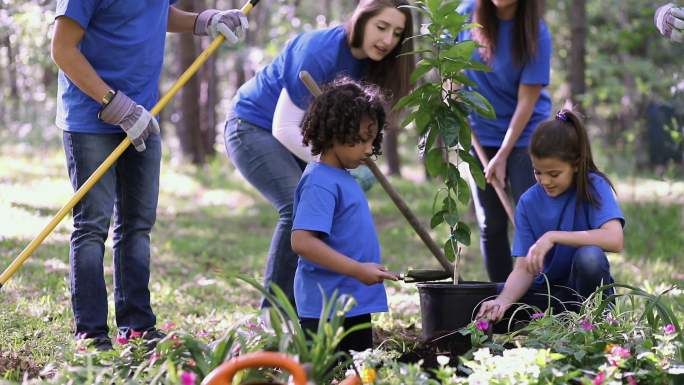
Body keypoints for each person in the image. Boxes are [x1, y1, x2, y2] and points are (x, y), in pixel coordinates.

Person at [51, 0, 247, 351]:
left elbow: (155, 13)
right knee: (92, 226)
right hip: (90, 119)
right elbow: (62, 49)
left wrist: (204, 21)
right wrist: (114, 103)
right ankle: (91, 336)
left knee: (137, 225)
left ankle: (137, 328)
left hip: (144, 113)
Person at [224, 0, 414, 308]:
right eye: (381, 27)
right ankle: (273, 316)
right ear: (361, 19)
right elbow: (284, 127)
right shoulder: (319, 51)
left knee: (324, 214)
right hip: (252, 126)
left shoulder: (371, 64)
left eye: (397, 32)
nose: (388, 40)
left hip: (306, 137)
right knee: (297, 211)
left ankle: (314, 309)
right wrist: (343, 165)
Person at [477, 109, 625, 323]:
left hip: (586, 293)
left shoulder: (594, 186)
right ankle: (555, 321)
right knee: (490, 295)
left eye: (554, 174)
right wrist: (504, 300)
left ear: (575, 164)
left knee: (590, 257)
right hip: (548, 296)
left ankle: (595, 322)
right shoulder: (528, 202)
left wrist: (553, 236)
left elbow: (614, 239)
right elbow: (524, 268)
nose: (545, 181)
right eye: (538, 172)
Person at [290, 78, 399, 353]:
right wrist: (358, 269)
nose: (367, 149)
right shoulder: (320, 182)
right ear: (333, 132)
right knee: (329, 374)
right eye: (359, 140)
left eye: (371, 141)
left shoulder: (341, 177)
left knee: (355, 374)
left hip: (352, 301)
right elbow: (302, 242)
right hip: (328, 308)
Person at [456, 0, 552, 283]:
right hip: (478, 134)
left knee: (529, 221)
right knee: (491, 223)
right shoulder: (464, 15)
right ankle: (502, 299)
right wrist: (451, 93)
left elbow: (527, 102)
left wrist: (504, 154)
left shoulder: (536, 32)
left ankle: (540, 301)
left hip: (525, 137)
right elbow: (449, 68)